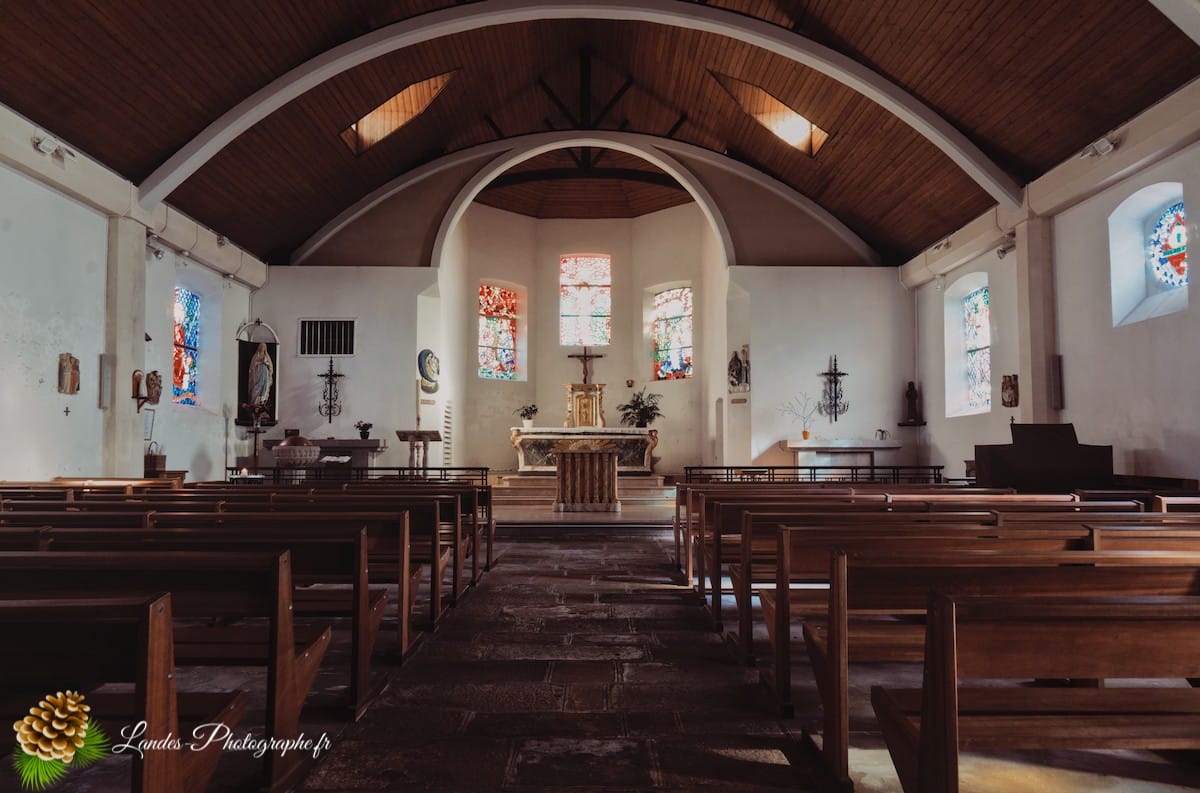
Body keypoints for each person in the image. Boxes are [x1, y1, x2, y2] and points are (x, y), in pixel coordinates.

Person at [248, 342, 274, 408]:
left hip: (265, 373)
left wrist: (265, 363)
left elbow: (270, 366)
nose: (262, 348)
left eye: (264, 347)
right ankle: (254, 403)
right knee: (258, 386)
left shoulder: (266, 356)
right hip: (258, 373)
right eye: (261, 346)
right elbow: (253, 366)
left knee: (264, 387)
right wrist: (260, 362)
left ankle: (262, 402)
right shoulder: (257, 355)